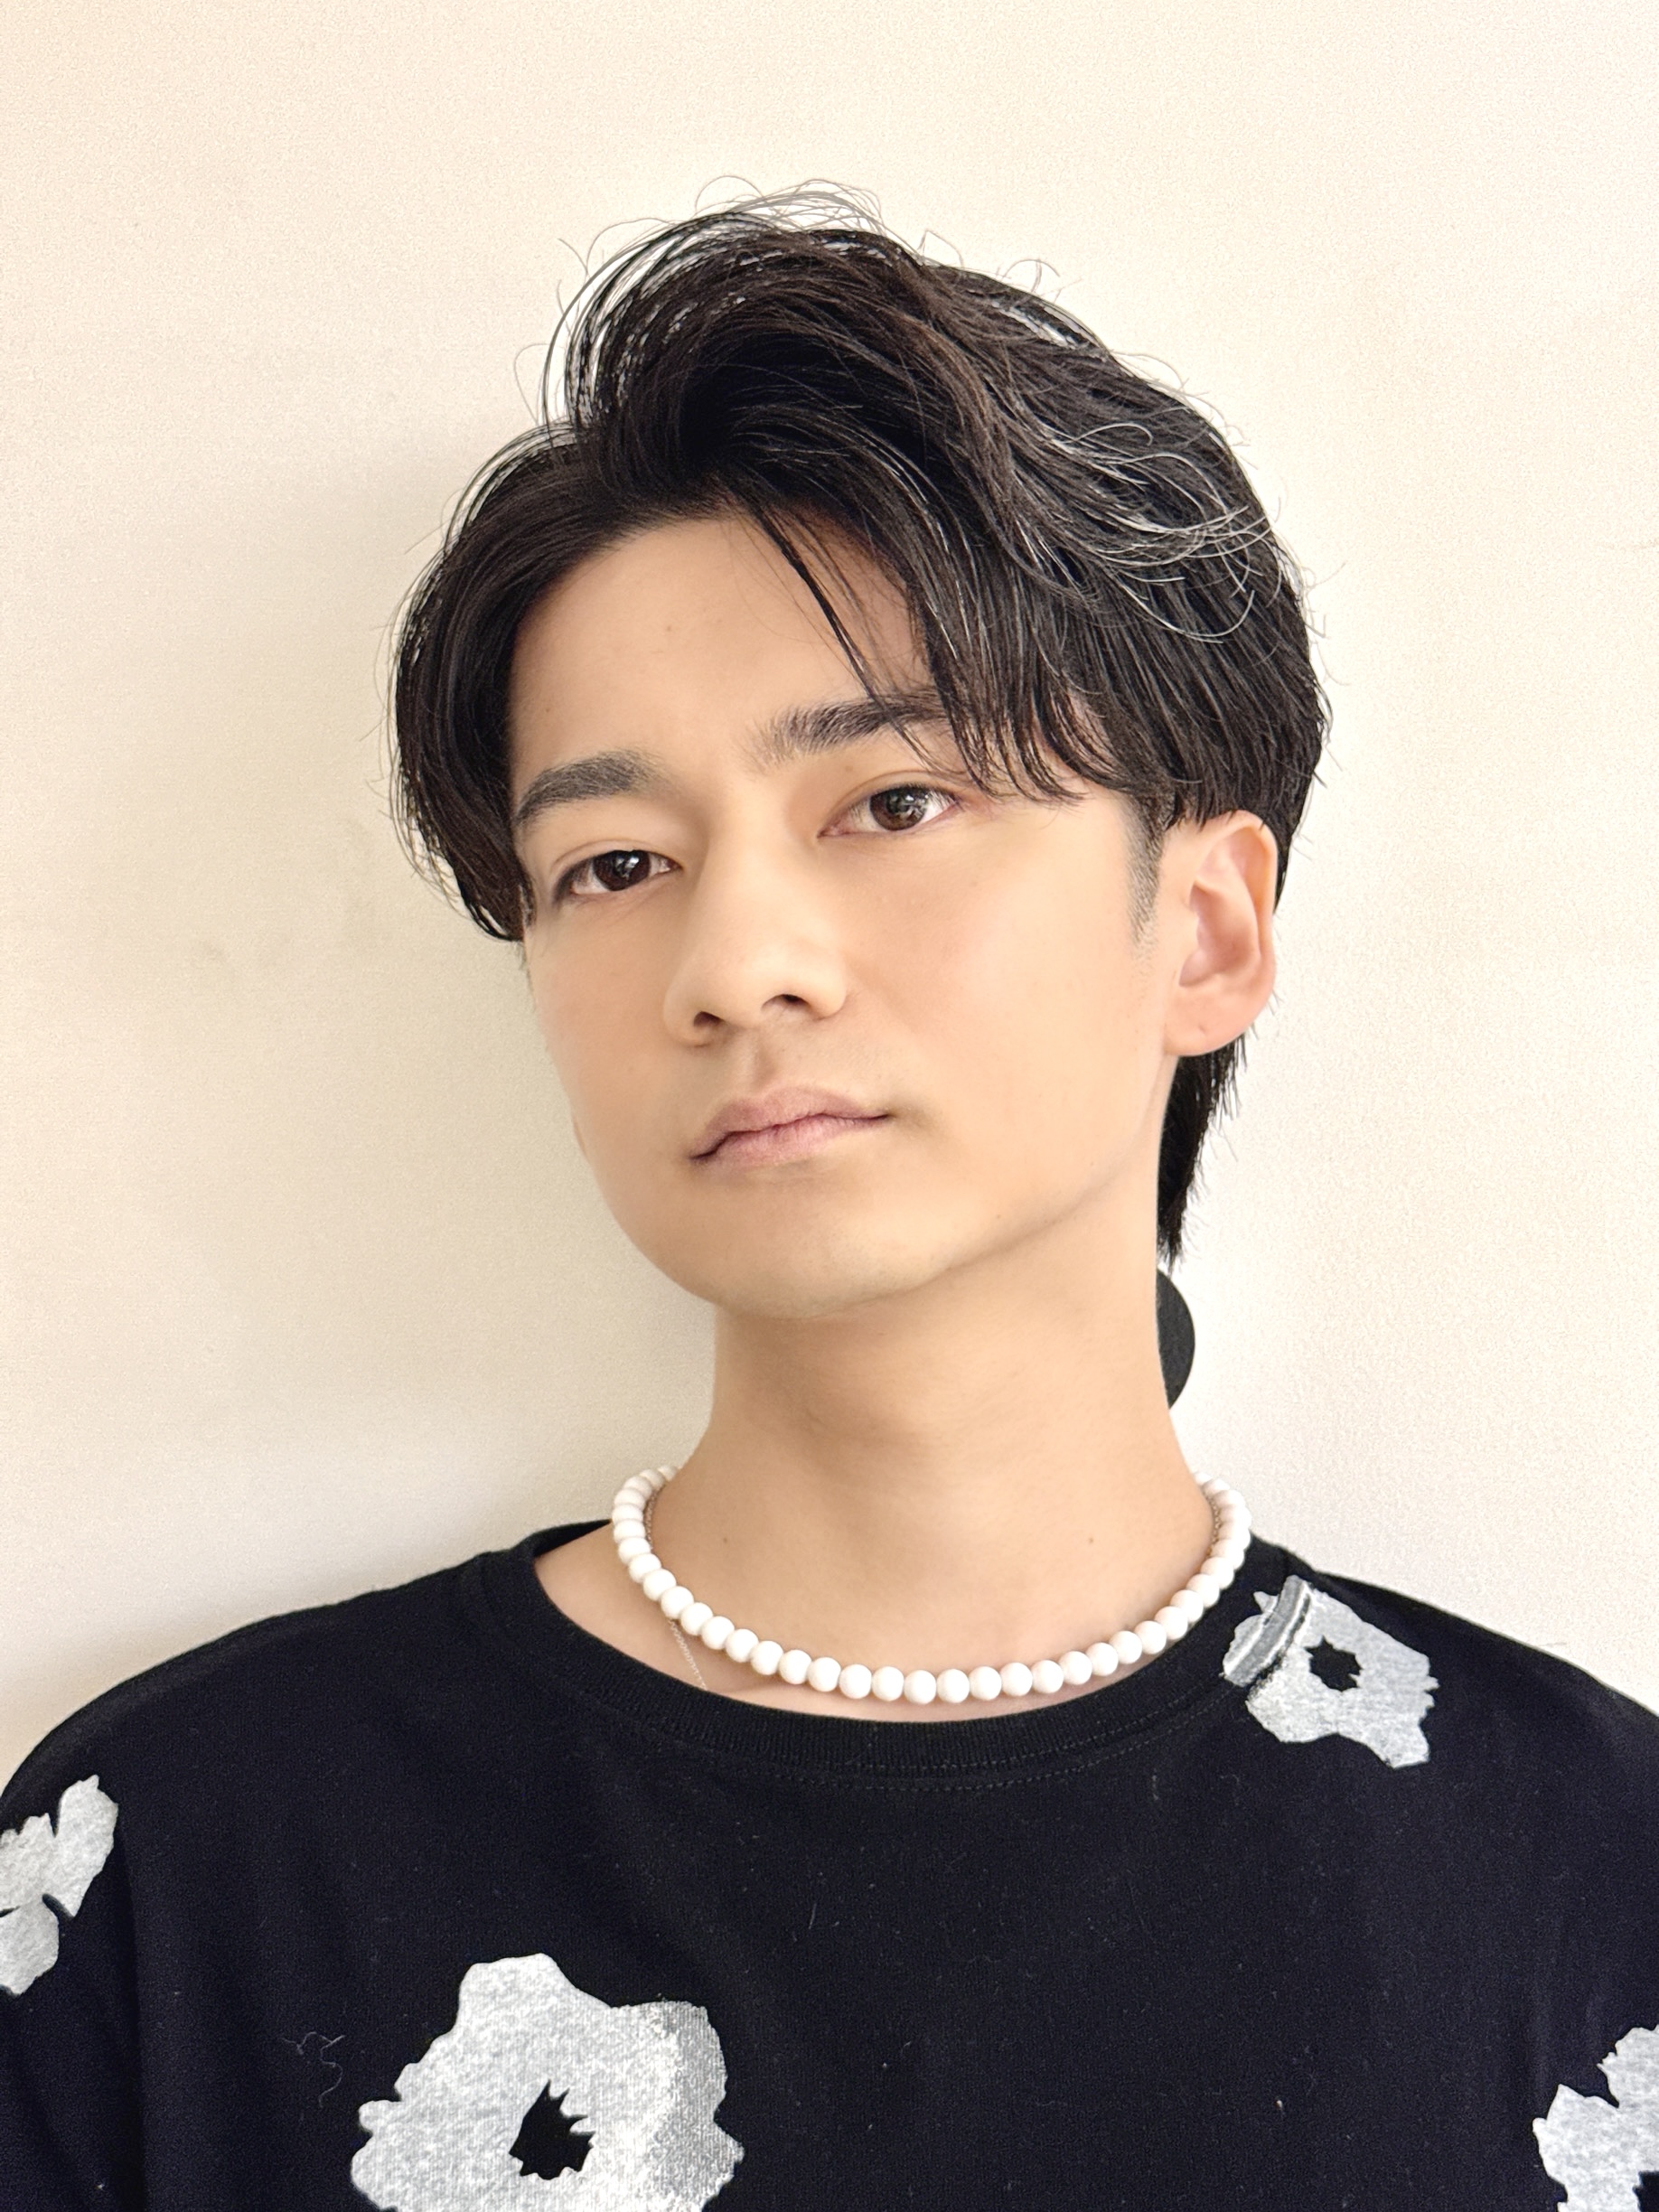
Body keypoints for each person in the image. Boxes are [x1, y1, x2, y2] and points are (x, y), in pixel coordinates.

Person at [3, 192, 1655, 2212]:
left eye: (892, 802)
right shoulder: (176, 1872)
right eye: (616, 864)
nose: (735, 965)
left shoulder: (1595, 1894)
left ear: (1207, 927)